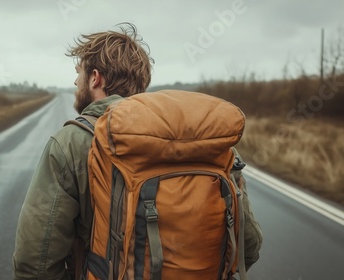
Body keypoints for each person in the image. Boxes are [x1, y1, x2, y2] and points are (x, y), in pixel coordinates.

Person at [13, 23, 262, 280]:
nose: (76, 81)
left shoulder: (71, 143)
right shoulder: (208, 143)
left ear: (95, 78)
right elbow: (248, 247)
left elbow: (36, 263)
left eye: (79, 73)